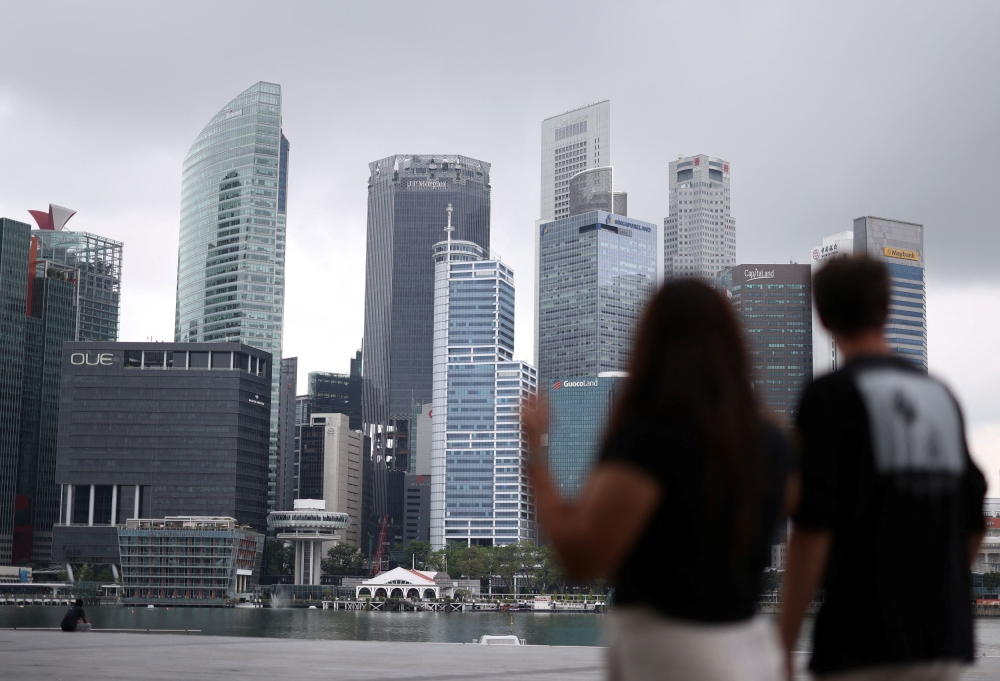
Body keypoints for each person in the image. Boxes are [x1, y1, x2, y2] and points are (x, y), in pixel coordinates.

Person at [524, 280, 792, 681]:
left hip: (669, 653)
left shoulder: (653, 436)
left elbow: (580, 557)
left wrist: (537, 453)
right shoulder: (772, 441)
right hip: (753, 650)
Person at [779, 257, 986, 680]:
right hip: (943, 642)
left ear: (821, 315)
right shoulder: (939, 395)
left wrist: (782, 643)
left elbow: (812, 528)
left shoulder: (829, 396)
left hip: (862, 640)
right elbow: (974, 521)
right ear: (887, 309)